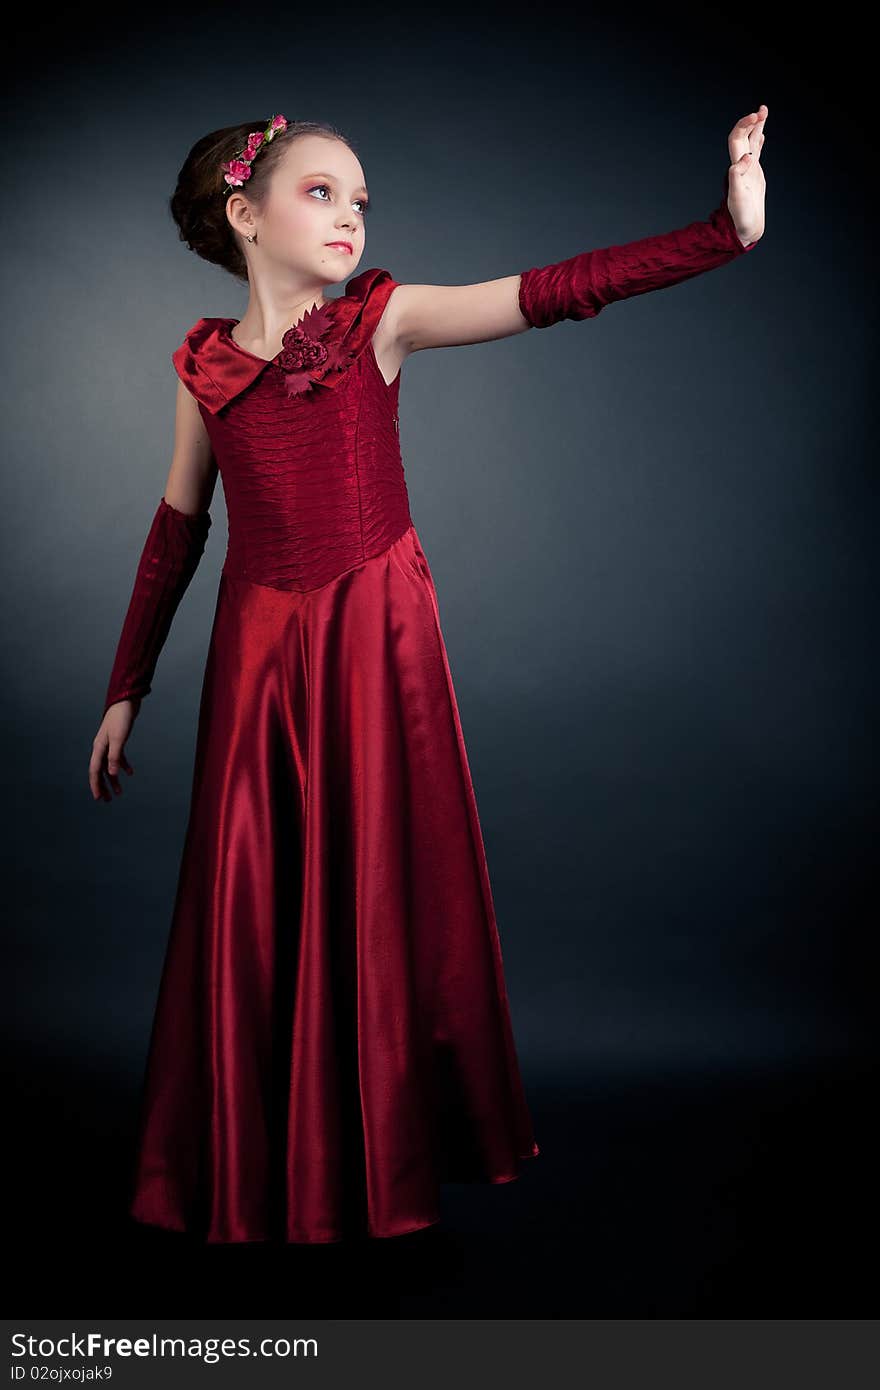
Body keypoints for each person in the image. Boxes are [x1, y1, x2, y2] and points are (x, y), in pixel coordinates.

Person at [89, 107, 767, 1244]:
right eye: (321, 193)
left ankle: (380, 1146)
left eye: (361, 197)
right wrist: (126, 686)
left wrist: (726, 231)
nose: (352, 211)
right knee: (258, 905)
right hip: (257, 661)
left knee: (380, 893)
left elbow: (555, 288)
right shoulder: (204, 367)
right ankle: (267, 1164)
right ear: (243, 216)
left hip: (372, 634)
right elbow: (176, 532)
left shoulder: (382, 321)